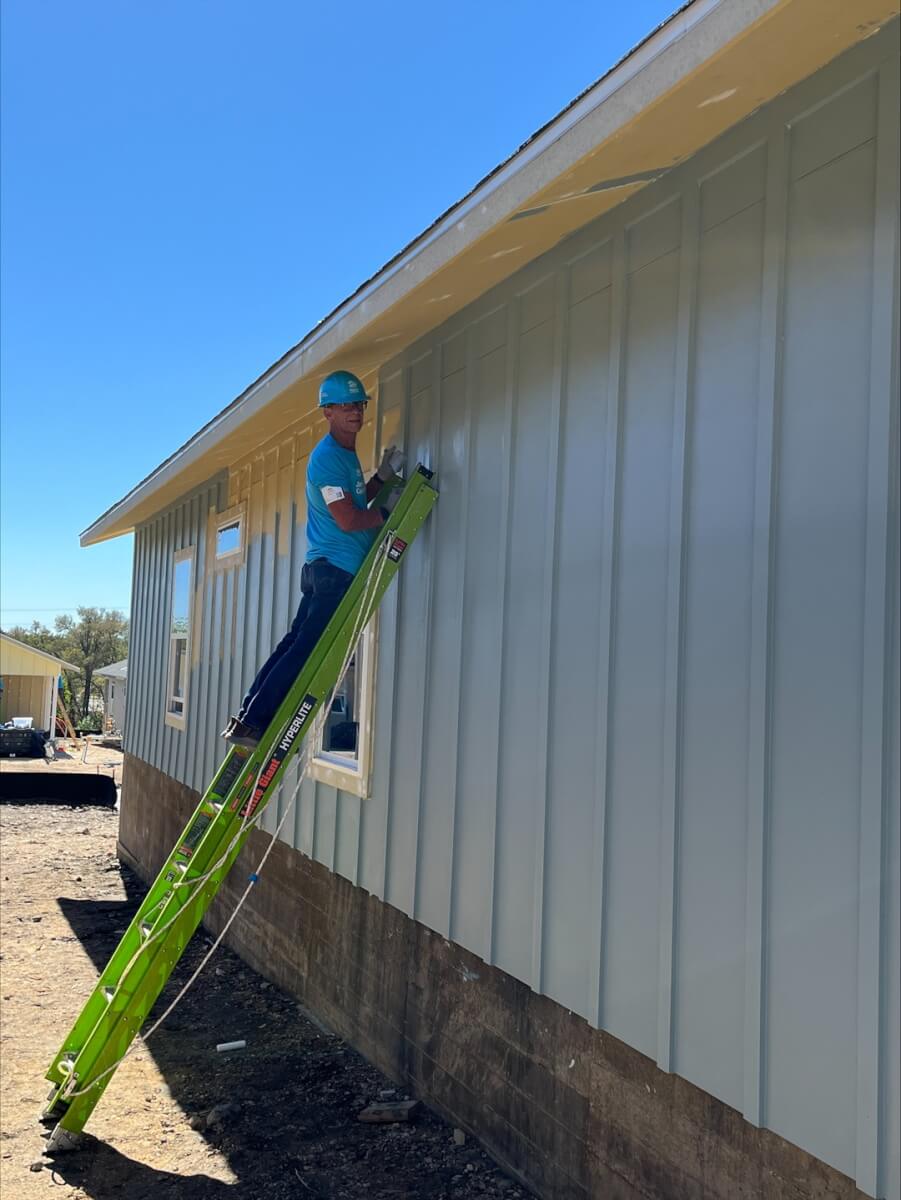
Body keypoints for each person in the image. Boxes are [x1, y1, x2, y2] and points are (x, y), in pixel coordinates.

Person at [221, 369, 405, 749]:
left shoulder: (343, 454)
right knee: (304, 648)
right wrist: (389, 513)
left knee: (293, 644)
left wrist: (381, 480)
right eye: (345, 405)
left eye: (359, 404)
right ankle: (255, 721)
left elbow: (353, 502)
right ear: (327, 413)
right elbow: (349, 518)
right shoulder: (326, 459)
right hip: (334, 571)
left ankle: (247, 718)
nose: (355, 411)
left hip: (325, 568)